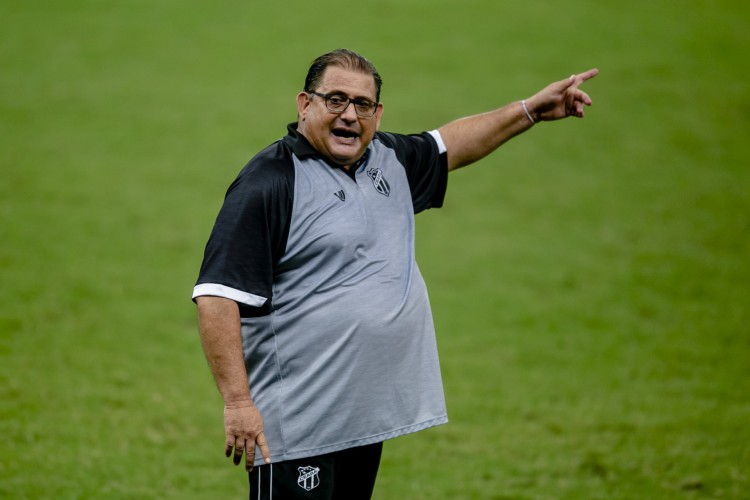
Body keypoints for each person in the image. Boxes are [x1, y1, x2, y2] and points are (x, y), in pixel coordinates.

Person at [193, 48, 597, 499]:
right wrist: (238, 403)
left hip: (361, 420)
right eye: (335, 100)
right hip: (296, 426)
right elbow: (217, 296)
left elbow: (450, 144)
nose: (349, 115)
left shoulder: (388, 160)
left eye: (362, 104)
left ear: (378, 114)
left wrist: (531, 111)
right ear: (305, 104)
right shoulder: (270, 182)